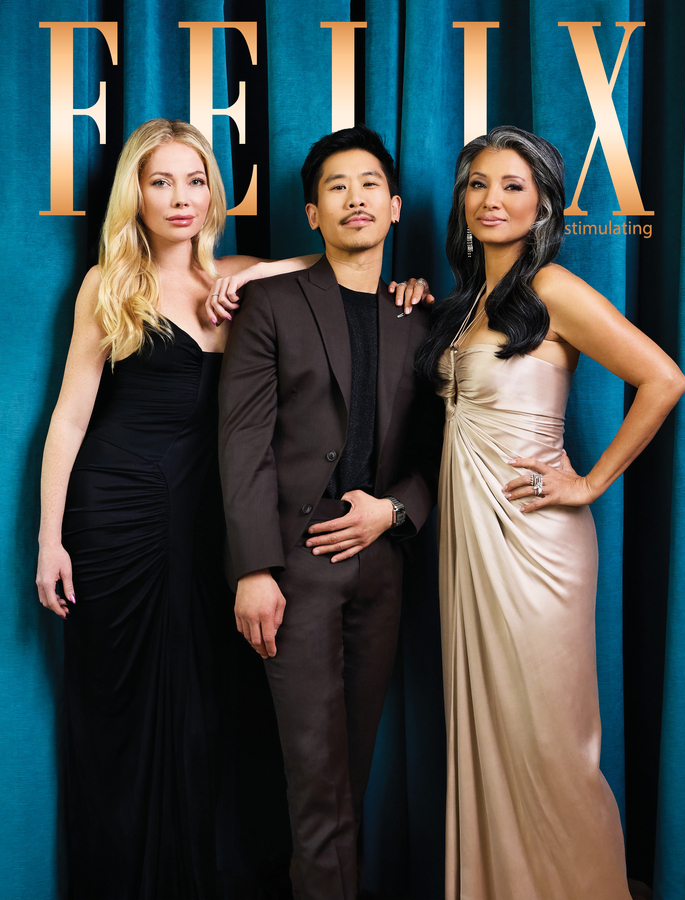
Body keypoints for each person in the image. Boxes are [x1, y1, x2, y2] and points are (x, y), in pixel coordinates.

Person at [34, 117, 430, 899]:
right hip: (119, 515)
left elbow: (335, 263)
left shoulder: (248, 278)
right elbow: (71, 417)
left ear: (214, 193)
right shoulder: (109, 283)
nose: (179, 197)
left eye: (194, 180)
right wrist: (49, 539)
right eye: (160, 181)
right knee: (123, 714)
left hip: (214, 519)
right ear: (136, 196)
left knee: (214, 716)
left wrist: (403, 287)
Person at [416, 125, 685, 900]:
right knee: (493, 731)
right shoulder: (464, 302)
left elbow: (663, 379)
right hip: (469, 543)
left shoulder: (554, 288)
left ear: (541, 205)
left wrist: (590, 482)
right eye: (476, 184)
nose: (489, 199)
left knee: (547, 741)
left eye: (511, 185)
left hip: (534, 543)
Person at [218, 123, 443, 900]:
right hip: (294, 568)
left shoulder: (420, 315)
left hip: (381, 566)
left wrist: (393, 512)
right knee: (315, 779)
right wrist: (254, 569)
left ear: (395, 206)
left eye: (369, 184)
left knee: (352, 770)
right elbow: (242, 444)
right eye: (336, 187)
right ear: (313, 213)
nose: (355, 198)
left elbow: (439, 454)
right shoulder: (271, 304)